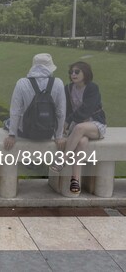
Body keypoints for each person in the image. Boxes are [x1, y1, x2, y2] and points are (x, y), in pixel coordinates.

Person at [50, 61, 106, 195]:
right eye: (71, 72)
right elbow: (65, 109)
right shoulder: (68, 88)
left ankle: (62, 159)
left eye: (77, 72)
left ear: (85, 73)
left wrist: (68, 121)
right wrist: (62, 127)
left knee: (81, 128)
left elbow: (86, 110)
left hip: (95, 124)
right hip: (77, 127)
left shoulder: (92, 88)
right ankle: (75, 180)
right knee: (81, 142)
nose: (73, 74)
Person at [4, 53, 66, 150]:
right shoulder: (58, 83)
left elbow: (15, 111)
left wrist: (12, 135)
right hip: (48, 132)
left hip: (26, 132)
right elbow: (61, 111)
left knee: (6, 122)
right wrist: (59, 136)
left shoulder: (22, 83)